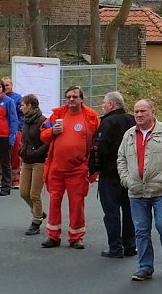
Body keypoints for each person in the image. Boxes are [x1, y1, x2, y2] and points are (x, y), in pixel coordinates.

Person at [118, 99, 162, 281]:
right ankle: (145, 266)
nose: (139, 115)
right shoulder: (129, 135)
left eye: (143, 111)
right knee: (141, 230)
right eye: (136, 111)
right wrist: (127, 180)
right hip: (136, 191)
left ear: (152, 112)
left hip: (160, 190)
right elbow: (121, 160)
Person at [40, 86, 100, 249]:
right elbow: (43, 134)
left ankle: (76, 237)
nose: (71, 99)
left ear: (81, 99)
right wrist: (53, 130)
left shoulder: (91, 117)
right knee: (54, 202)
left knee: (77, 203)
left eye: (74, 96)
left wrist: (94, 168)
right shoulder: (57, 115)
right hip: (57, 168)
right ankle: (53, 236)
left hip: (78, 169)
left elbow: (97, 142)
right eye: (68, 97)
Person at [89, 91, 137, 259]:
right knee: (129, 211)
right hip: (130, 173)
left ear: (111, 105)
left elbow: (99, 148)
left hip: (110, 174)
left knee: (111, 213)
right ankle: (130, 245)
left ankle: (115, 247)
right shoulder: (132, 120)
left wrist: (95, 168)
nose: (102, 107)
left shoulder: (107, 122)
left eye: (104, 104)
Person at [18, 94, 48, 235]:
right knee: (24, 192)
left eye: (23, 105)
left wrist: (37, 153)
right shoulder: (26, 121)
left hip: (39, 161)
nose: (21, 108)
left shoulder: (43, 121)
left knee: (34, 193)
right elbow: (25, 139)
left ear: (30, 105)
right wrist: (22, 150)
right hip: (26, 160)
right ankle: (39, 211)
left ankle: (36, 221)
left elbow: (48, 142)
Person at [2, 76, 23, 188]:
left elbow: (21, 115)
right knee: (3, 155)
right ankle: (4, 178)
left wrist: (18, 128)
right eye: (3, 85)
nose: (5, 87)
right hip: (2, 131)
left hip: (15, 130)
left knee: (15, 153)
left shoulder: (17, 98)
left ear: (11, 85)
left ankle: (16, 179)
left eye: (7, 85)